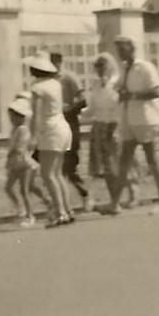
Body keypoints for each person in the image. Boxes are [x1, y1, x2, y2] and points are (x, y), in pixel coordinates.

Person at [112, 35, 159, 213]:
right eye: (118, 49)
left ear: (130, 48)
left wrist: (133, 95)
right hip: (129, 117)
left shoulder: (145, 67)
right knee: (124, 160)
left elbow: (156, 91)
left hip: (145, 118)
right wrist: (120, 93)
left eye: (122, 48)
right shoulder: (124, 69)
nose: (119, 52)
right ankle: (115, 204)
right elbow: (122, 90)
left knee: (151, 158)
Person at [28, 53, 75, 228]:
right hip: (62, 127)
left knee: (48, 174)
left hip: (50, 130)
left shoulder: (38, 87)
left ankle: (60, 212)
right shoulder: (55, 84)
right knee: (57, 173)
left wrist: (33, 136)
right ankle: (67, 210)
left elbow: (37, 112)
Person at [51, 52, 91, 214]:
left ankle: (85, 194)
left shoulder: (69, 78)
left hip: (70, 123)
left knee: (69, 166)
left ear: (61, 62)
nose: (54, 65)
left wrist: (68, 109)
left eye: (56, 62)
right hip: (54, 126)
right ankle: (60, 206)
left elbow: (83, 100)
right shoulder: (48, 81)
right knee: (54, 167)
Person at [84, 53, 124, 209]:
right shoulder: (95, 85)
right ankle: (115, 202)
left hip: (113, 126)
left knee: (114, 164)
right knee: (105, 167)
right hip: (99, 126)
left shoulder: (117, 83)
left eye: (103, 65)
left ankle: (119, 200)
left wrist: (116, 127)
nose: (100, 69)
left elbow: (120, 106)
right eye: (97, 66)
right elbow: (92, 108)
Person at [4, 92, 44, 227]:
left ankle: (30, 216)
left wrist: (13, 153)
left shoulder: (23, 130)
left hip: (24, 163)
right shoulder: (14, 130)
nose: (12, 119)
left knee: (24, 190)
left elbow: (21, 146)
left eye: (14, 116)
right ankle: (20, 208)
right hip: (16, 162)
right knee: (9, 187)